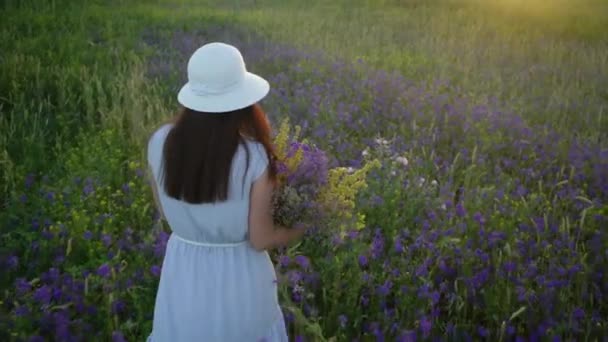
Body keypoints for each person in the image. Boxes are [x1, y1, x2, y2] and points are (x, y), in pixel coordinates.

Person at [146, 42, 306, 341]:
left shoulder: (159, 141)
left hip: (184, 269)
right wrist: (304, 225)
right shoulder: (255, 157)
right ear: (242, 100)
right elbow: (261, 239)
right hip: (239, 274)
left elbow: (164, 211)